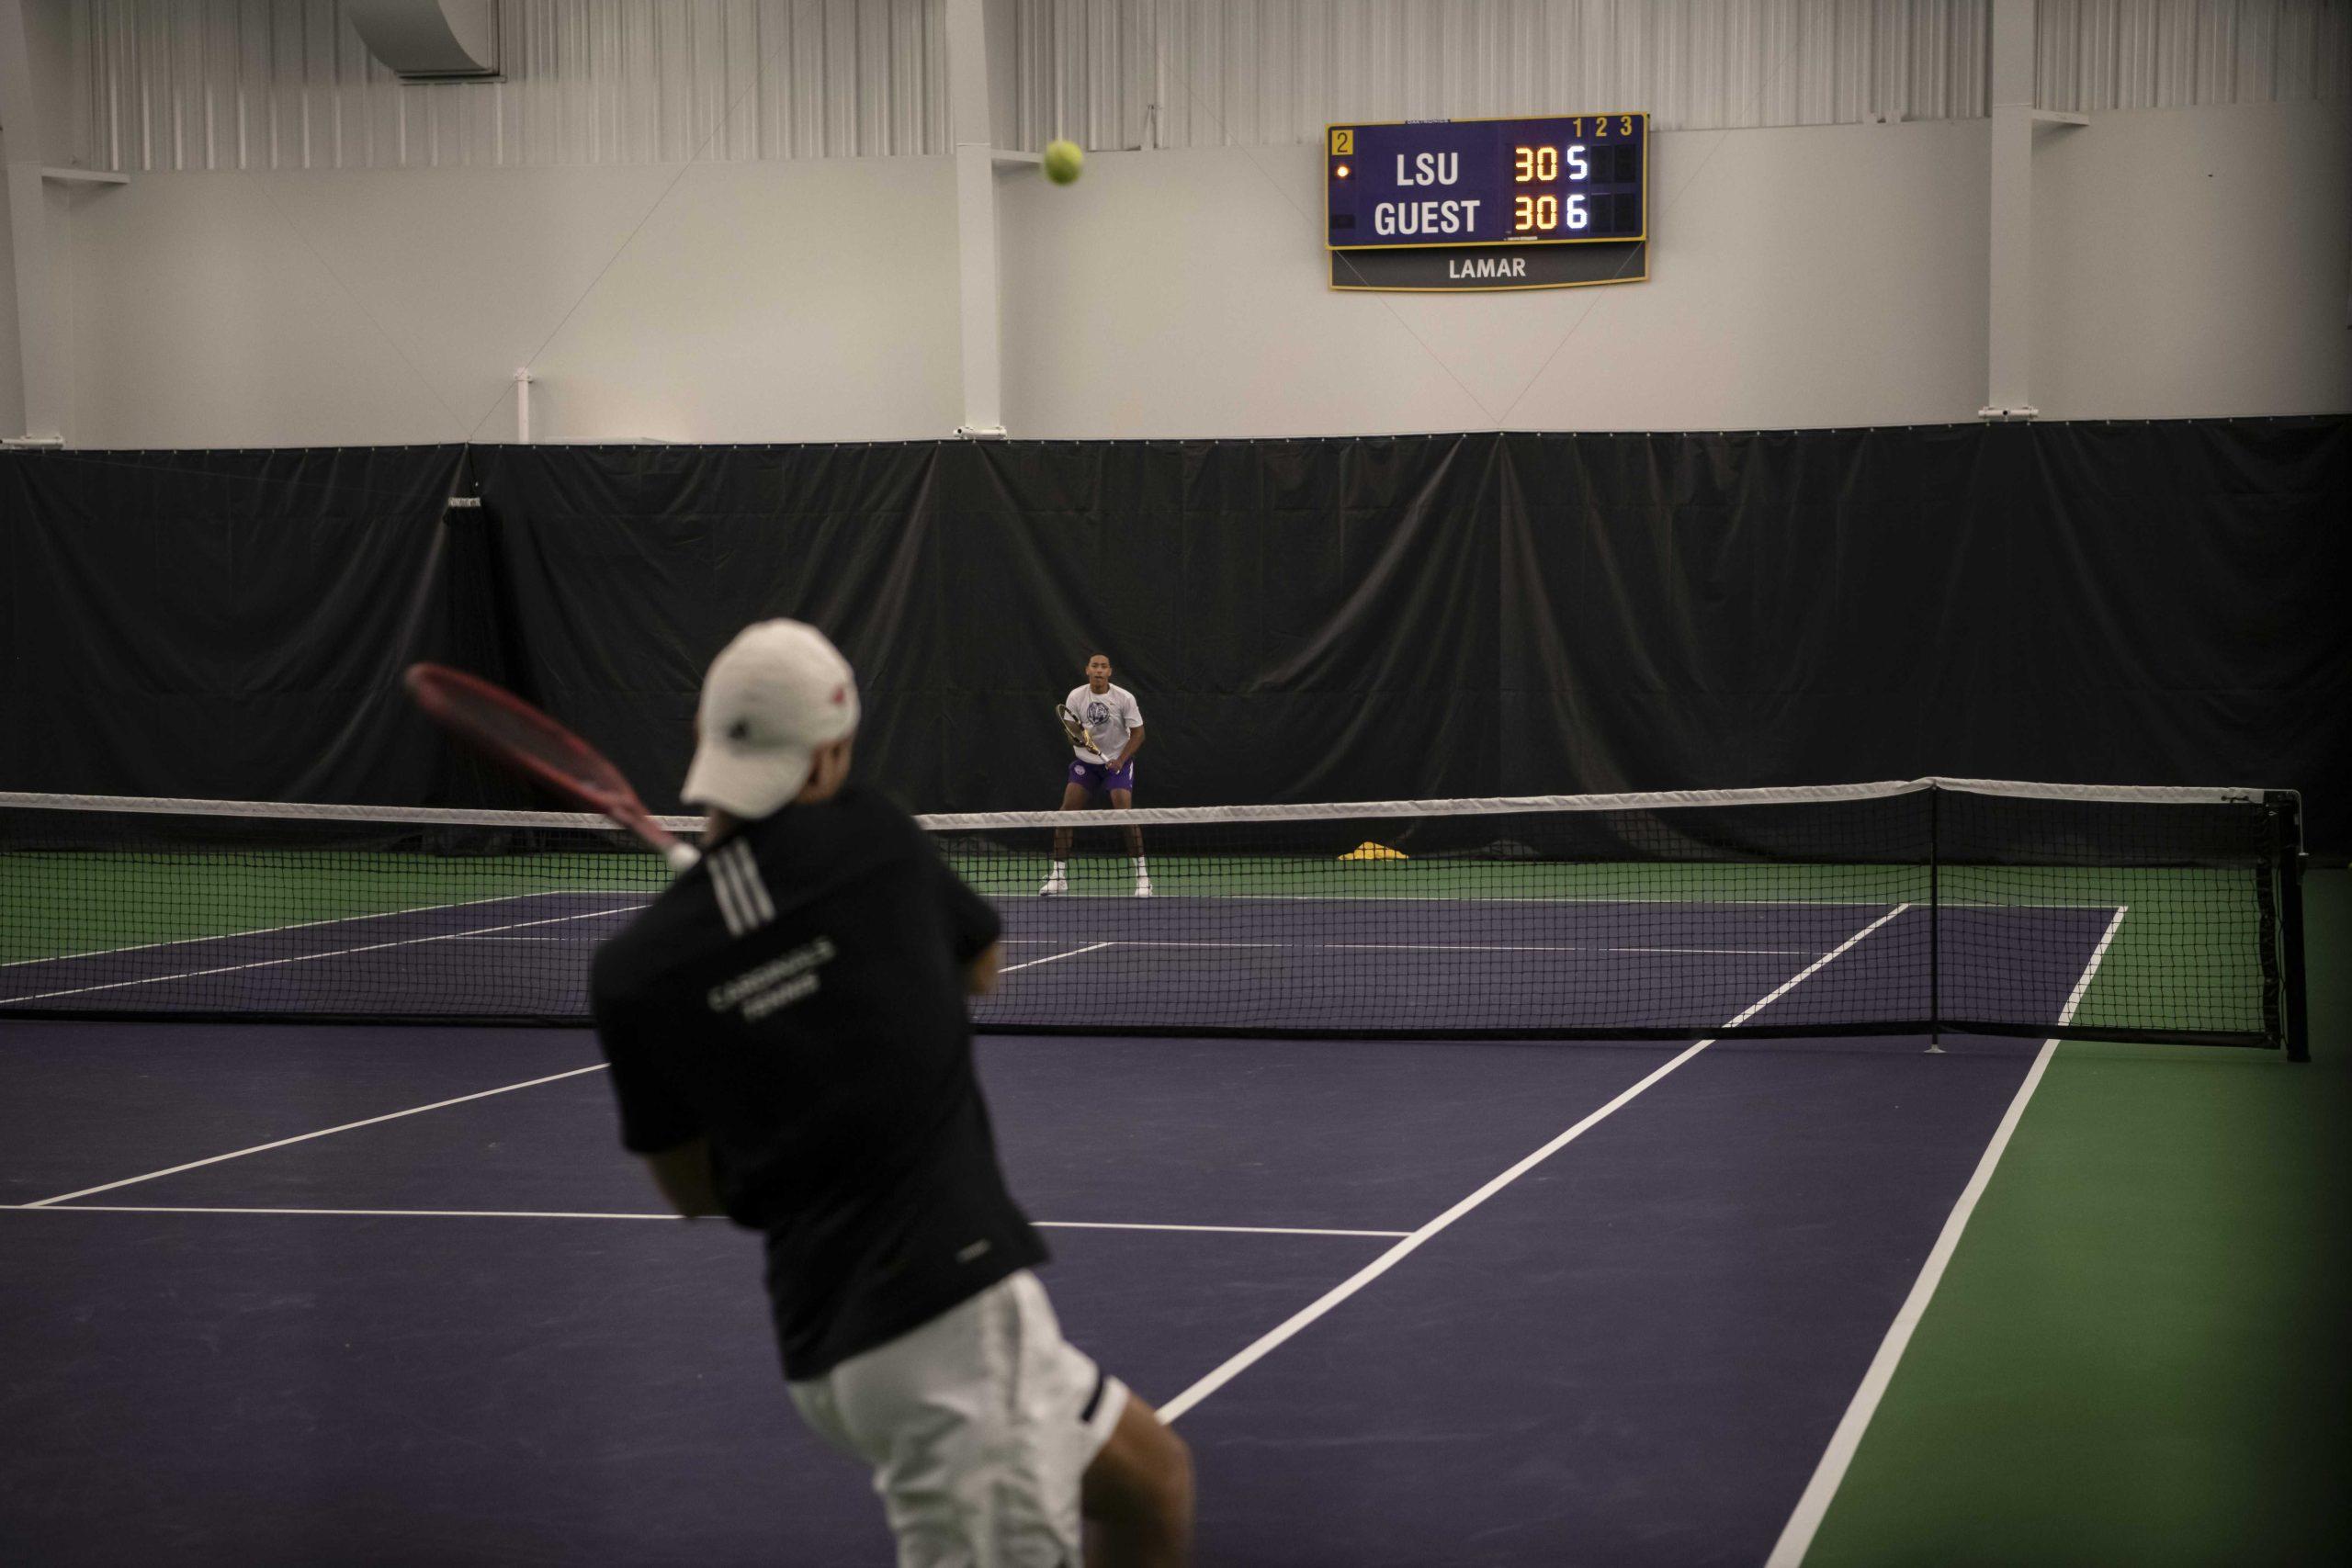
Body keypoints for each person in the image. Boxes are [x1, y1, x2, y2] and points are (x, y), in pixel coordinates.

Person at [589, 619, 1193, 1566]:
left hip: (828, 1334)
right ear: (830, 751)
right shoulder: (872, 842)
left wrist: (770, 1004)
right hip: (939, 1330)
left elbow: (693, 1191)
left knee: (1149, 1481)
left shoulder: (635, 973)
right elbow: (981, 965)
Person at [1042, 653, 1149, 897]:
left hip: (1118, 762)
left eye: (1103, 667)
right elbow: (1071, 730)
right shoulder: (1076, 696)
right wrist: (1082, 739)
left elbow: (1139, 734)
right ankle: (1058, 877)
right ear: (1087, 670)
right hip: (1086, 763)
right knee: (1065, 815)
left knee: (1124, 814)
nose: (1099, 670)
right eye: (1095, 666)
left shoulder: (1124, 698)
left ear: (1109, 672)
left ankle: (1143, 877)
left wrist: (1120, 760)